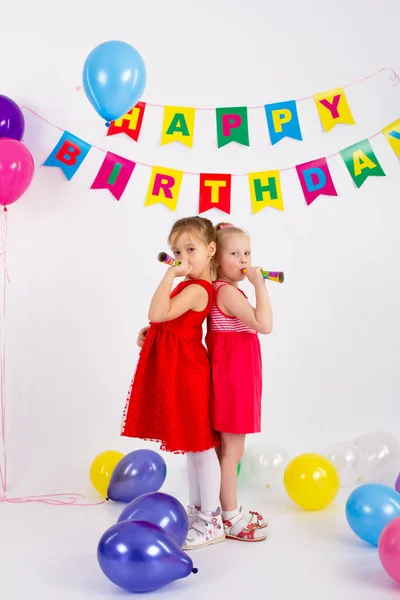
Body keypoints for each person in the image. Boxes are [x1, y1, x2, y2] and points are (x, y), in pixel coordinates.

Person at [122, 216, 224, 550]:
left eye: (190, 249)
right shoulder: (187, 285)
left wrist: (168, 272)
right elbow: (164, 321)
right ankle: (198, 510)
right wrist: (153, 335)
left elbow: (158, 312)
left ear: (211, 250)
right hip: (176, 367)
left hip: (188, 371)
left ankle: (211, 518)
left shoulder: (196, 287)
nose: (182, 257)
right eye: (176, 251)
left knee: (201, 445)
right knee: (192, 447)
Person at [206, 222, 273, 542]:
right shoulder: (229, 292)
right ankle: (231, 516)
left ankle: (222, 510)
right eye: (235, 253)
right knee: (233, 450)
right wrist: (261, 286)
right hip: (235, 379)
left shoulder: (223, 289)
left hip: (236, 375)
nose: (244, 259)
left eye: (247, 252)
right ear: (217, 259)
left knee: (229, 449)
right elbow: (264, 324)